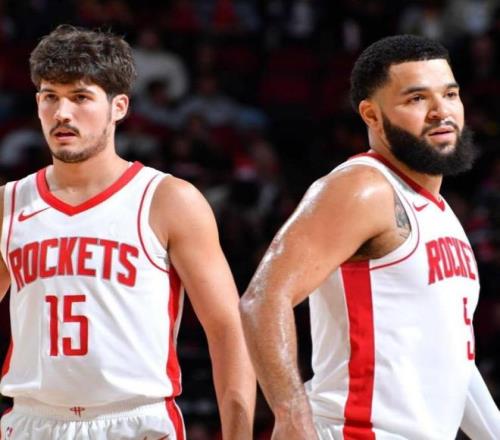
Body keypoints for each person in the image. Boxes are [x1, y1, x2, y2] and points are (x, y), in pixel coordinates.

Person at [0, 25, 255, 439]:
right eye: (50, 97)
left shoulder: (168, 199)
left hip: (134, 421)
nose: (62, 113)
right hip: (32, 421)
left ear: (118, 106)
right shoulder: (9, 203)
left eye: (80, 97)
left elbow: (228, 328)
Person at [240, 34, 500, 439]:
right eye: (417, 98)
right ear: (372, 115)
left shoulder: (441, 213)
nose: (441, 111)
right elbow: (264, 298)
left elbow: (453, 358)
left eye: (450, 94)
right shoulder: (363, 187)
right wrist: (292, 417)